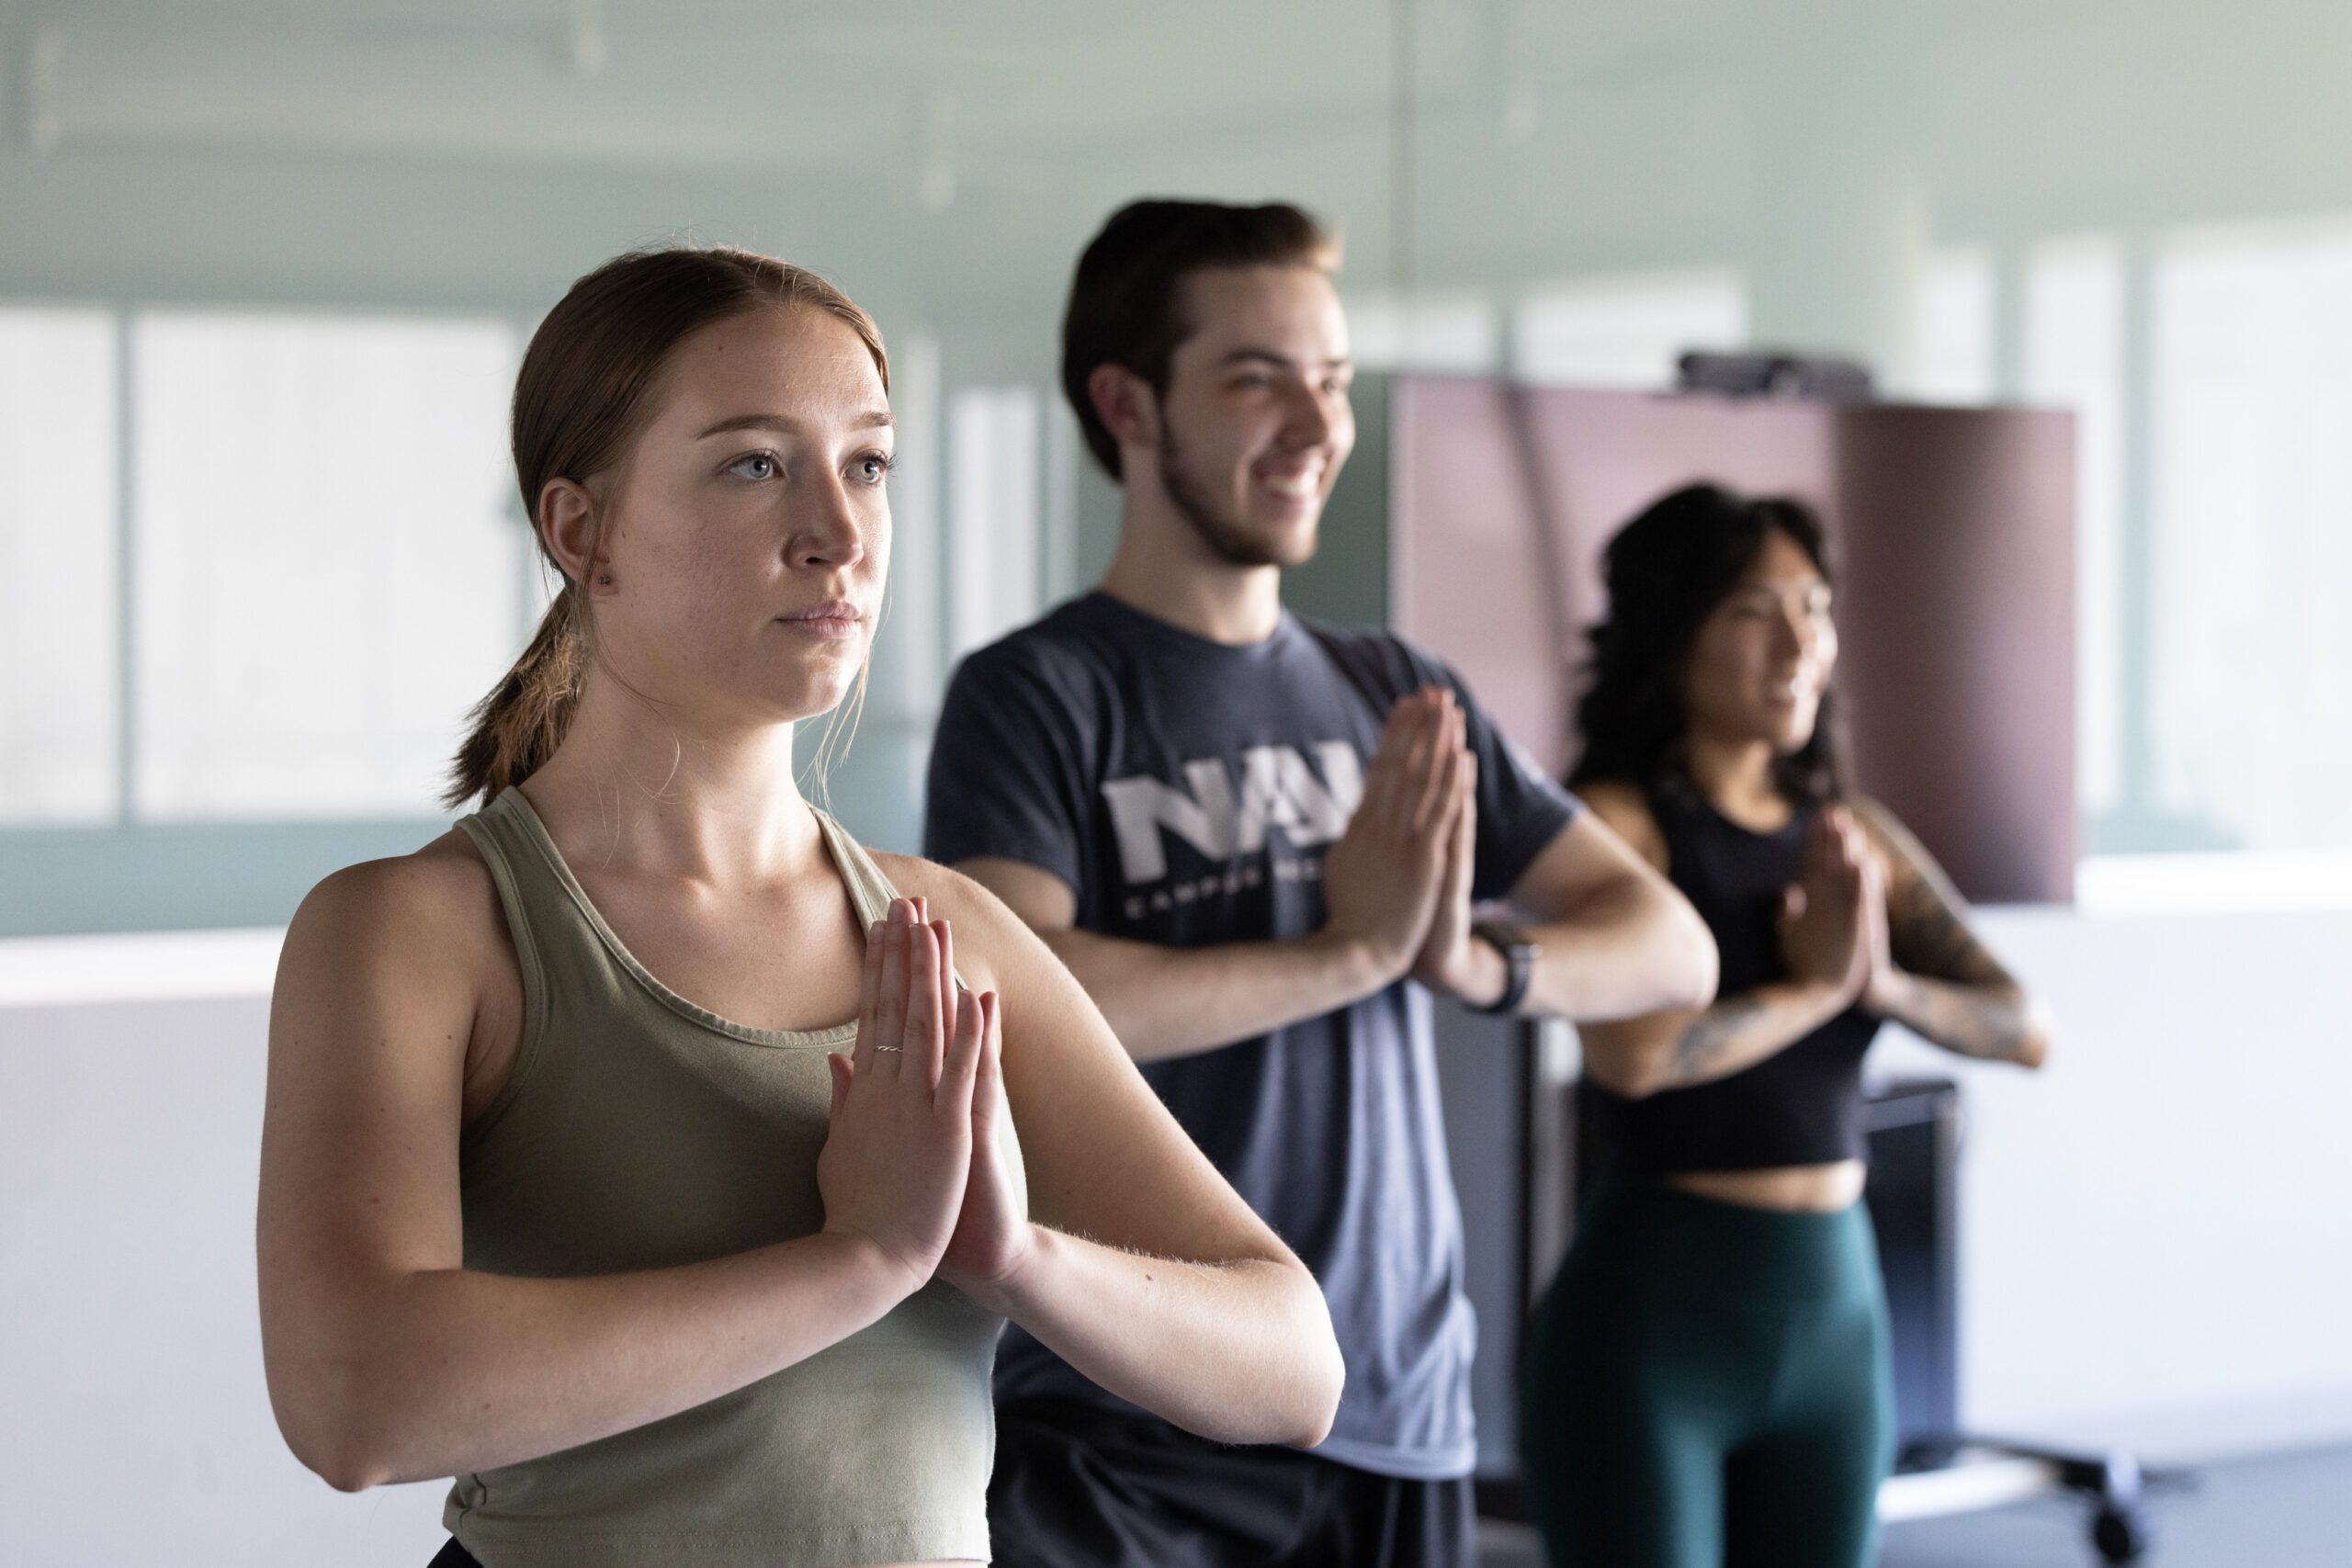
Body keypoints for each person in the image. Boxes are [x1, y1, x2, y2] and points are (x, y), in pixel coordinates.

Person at [255, 245, 1343, 1568]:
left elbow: (1293, 1363)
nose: (839, 530)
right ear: (581, 531)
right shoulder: (421, 931)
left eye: (868, 463)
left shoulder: (950, 934)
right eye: (755, 464)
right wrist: (863, 1258)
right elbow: (354, 1400)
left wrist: (1012, 1257)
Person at [922, 199, 1719, 1568]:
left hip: (1395, 1409)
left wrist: (1466, 961)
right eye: (1256, 380)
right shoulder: (1038, 693)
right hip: (1132, 1408)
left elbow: (1670, 943)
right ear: (1127, 404)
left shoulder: (1392, 687)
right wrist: (1347, 954)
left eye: (1333, 381)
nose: (1316, 425)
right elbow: (1027, 1002)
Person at [1518, 482, 2054, 1568]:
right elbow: (1633, 1057)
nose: (1798, 642)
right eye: (1753, 611)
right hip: (1656, 1320)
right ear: (1672, 636)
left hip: (1836, 1313)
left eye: (1813, 608)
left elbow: (2026, 1026)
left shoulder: (1851, 839)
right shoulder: (1617, 827)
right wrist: (1811, 991)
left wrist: (1877, 985)